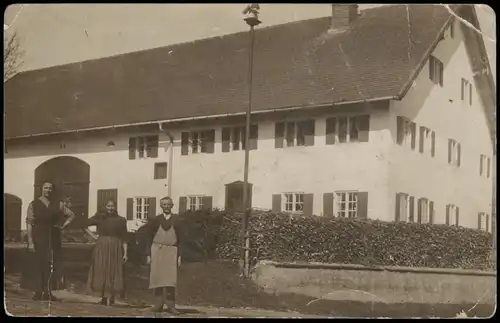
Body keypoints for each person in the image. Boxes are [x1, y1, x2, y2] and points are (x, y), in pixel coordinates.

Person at [22, 180, 76, 301]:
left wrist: (63, 225)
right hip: (38, 236)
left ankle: (48, 292)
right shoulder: (34, 204)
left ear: (53, 190)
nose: (48, 190)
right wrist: (30, 241)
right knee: (37, 263)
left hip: (53, 237)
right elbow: (30, 223)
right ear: (42, 189)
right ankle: (37, 291)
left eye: (50, 188)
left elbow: (72, 215)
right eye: (46, 188)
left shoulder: (58, 204)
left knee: (51, 263)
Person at [139, 196, 182, 314]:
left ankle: (171, 306)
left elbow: (181, 239)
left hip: (172, 251)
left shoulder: (177, 220)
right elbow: (148, 237)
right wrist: (148, 254)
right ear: (161, 206)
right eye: (164, 204)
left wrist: (179, 255)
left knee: (170, 280)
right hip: (156, 250)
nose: (166, 207)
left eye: (168, 204)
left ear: (172, 205)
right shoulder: (156, 220)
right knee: (157, 278)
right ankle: (157, 305)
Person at [84, 199, 128, 306]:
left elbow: (124, 238)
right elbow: (84, 225)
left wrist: (125, 253)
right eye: (108, 206)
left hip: (115, 247)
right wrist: (93, 236)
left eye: (112, 206)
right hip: (102, 246)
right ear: (105, 207)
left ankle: (111, 297)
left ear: (116, 207)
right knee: (102, 269)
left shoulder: (121, 220)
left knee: (113, 270)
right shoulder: (100, 218)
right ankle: (103, 297)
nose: (110, 208)